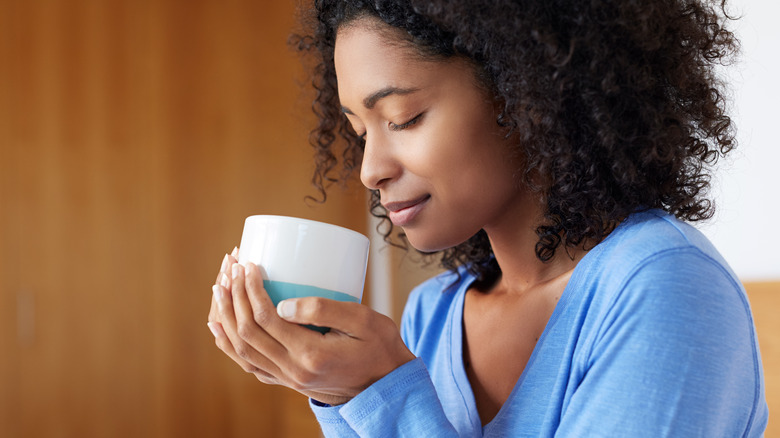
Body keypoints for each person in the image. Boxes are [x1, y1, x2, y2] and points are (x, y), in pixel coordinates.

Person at [206, 0, 769, 435]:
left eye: (404, 118)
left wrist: (383, 391)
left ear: (527, 90)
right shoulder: (434, 312)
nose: (369, 170)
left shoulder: (663, 285)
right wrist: (340, 393)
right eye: (359, 131)